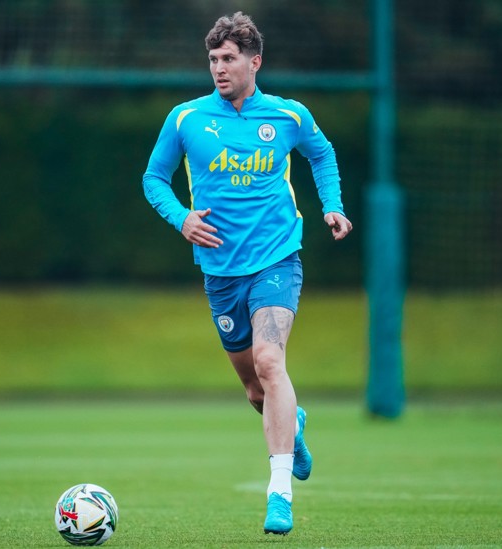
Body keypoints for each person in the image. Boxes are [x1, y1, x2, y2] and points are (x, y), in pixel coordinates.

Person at [142, 12, 352, 535]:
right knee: (257, 389)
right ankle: (292, 426)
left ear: (254, 61)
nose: (219, 68)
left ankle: (278, 495)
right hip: (220, 271)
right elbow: (154, 178)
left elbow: (322, 155)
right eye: (213, 59)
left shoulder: (288, 115)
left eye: (229, 58)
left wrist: (332, 205)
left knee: (270, 360)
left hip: (277, 257)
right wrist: (181, 217)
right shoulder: (186, 119)